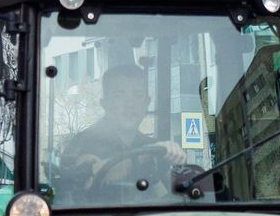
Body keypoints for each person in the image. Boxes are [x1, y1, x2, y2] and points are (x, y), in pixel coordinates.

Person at [59, 63, 186, 200]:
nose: (130, 104)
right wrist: (146, 153)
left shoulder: (154, 148)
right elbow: (89, 176)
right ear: (104, 103)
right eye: (118, 96)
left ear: (147, 102)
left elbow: (166, 196)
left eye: (137, 95)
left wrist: (178, 163)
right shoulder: (82, 142)